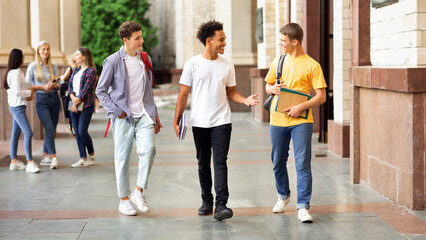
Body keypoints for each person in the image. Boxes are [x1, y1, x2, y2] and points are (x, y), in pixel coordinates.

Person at [173, 20, 259, 221]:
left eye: (225, 40)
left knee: (220, 162)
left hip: (222, 121)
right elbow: (183, 94)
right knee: (203, 163)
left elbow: (232, 92)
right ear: (209, 41)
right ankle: (206, 201)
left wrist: (244, 99)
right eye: (221, 40)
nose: (224, 43)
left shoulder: (227, 64)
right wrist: (176, 120)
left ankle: (221, 205)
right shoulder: (192, 64)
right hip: (199, 122)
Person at [96, 21, 162, 216]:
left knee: (149, 150)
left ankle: (138, 191)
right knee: (122, 158)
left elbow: (148, 90)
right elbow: (101, 90)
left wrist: (154, 114)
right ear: (126, 40)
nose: (142, 40)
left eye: (141, 36)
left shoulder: (144, 58)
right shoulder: (113, 61)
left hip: (143, 114)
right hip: (124, 117)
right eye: (137, 38)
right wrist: (116, 111)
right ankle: (124, 199)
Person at [264, 23, 327, 223]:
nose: (280, 44)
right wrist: (271, 89)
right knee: (277, 161)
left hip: (302, 120)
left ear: (295, 41)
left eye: (283, 41)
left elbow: (321, 96)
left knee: (302, 163)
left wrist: (300, 107)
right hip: (277, 119)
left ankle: (303, 207)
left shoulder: (312, 65)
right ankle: (283, 196)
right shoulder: (279, 60)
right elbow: (268, 85)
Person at [25, 41, 61, 169]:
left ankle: (45, 155)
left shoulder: (54, 66)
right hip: (42, 100)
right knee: (49, 129)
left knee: (52, 130)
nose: (46, 51)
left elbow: (59, 83)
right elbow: (28, 85)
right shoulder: (33, 66)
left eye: (48, 49)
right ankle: (53, 157)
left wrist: (54, 85)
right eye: (43, 49)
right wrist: (43, 87)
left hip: (54, 100)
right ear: (38, 51)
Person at [4, 49, 39, 173]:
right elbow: (17, 92)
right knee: (28, 133)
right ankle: (30, 162)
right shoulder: (15, 73)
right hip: (17, 107)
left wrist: (29, 89)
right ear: (18, 58)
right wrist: (30, 92)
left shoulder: (15, 72)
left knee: (15, 134)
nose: (24, 58)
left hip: (17, 106)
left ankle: (14, 162)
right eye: (22, 56)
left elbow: (20, 88)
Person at [68, 48, 97, 167]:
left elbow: (86, 90)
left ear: (84, 57)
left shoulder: (91, 71)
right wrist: (72, 98)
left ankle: (91, 153)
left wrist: (76, 102)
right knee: (76, 132)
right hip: (73, 103)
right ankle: (83, 158)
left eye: (77, 54)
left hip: (86, 105)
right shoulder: (75, 70)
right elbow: (70, 86)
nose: (75, 56)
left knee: (82, 131)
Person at [60, 54, 77, 135]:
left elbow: (63, 78)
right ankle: (75, 127)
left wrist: (60, 76)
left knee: (71, 110)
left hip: (70, 93)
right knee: (76, 110)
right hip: (78, 93)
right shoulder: (79, 68)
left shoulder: (70, 68)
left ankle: (73, 127)